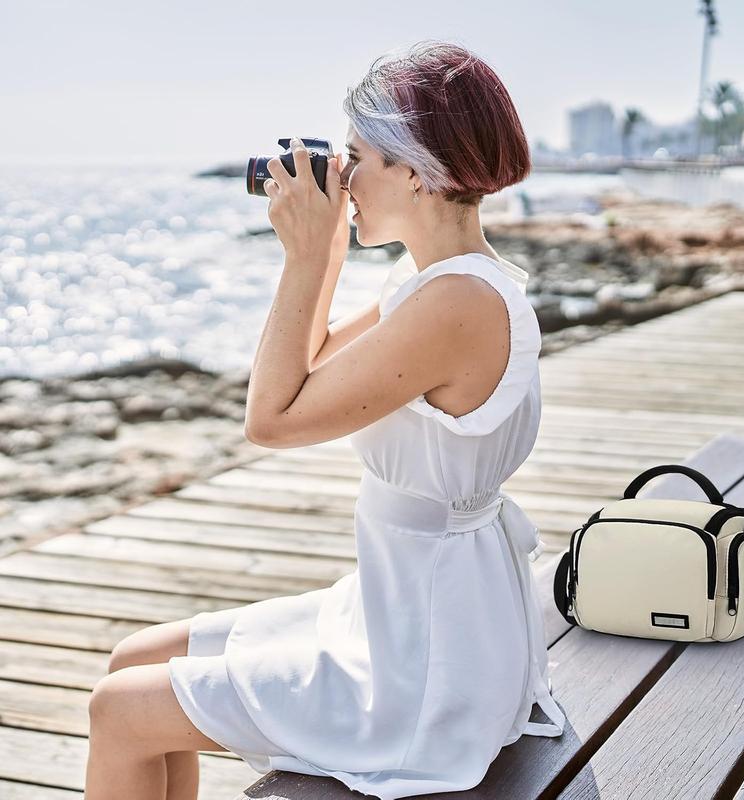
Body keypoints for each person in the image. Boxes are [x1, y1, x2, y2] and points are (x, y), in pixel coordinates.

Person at [84, 38, 565, 800]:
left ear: (415, 171)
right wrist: (329, 251)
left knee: (119, 710)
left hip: (425, 664)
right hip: (410, 609)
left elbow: (272, 420)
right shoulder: (438, 282)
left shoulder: (458, 302)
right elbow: (305, 370)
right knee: (133, 662)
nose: (343, 179)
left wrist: (305, 259)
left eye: (357, 158)